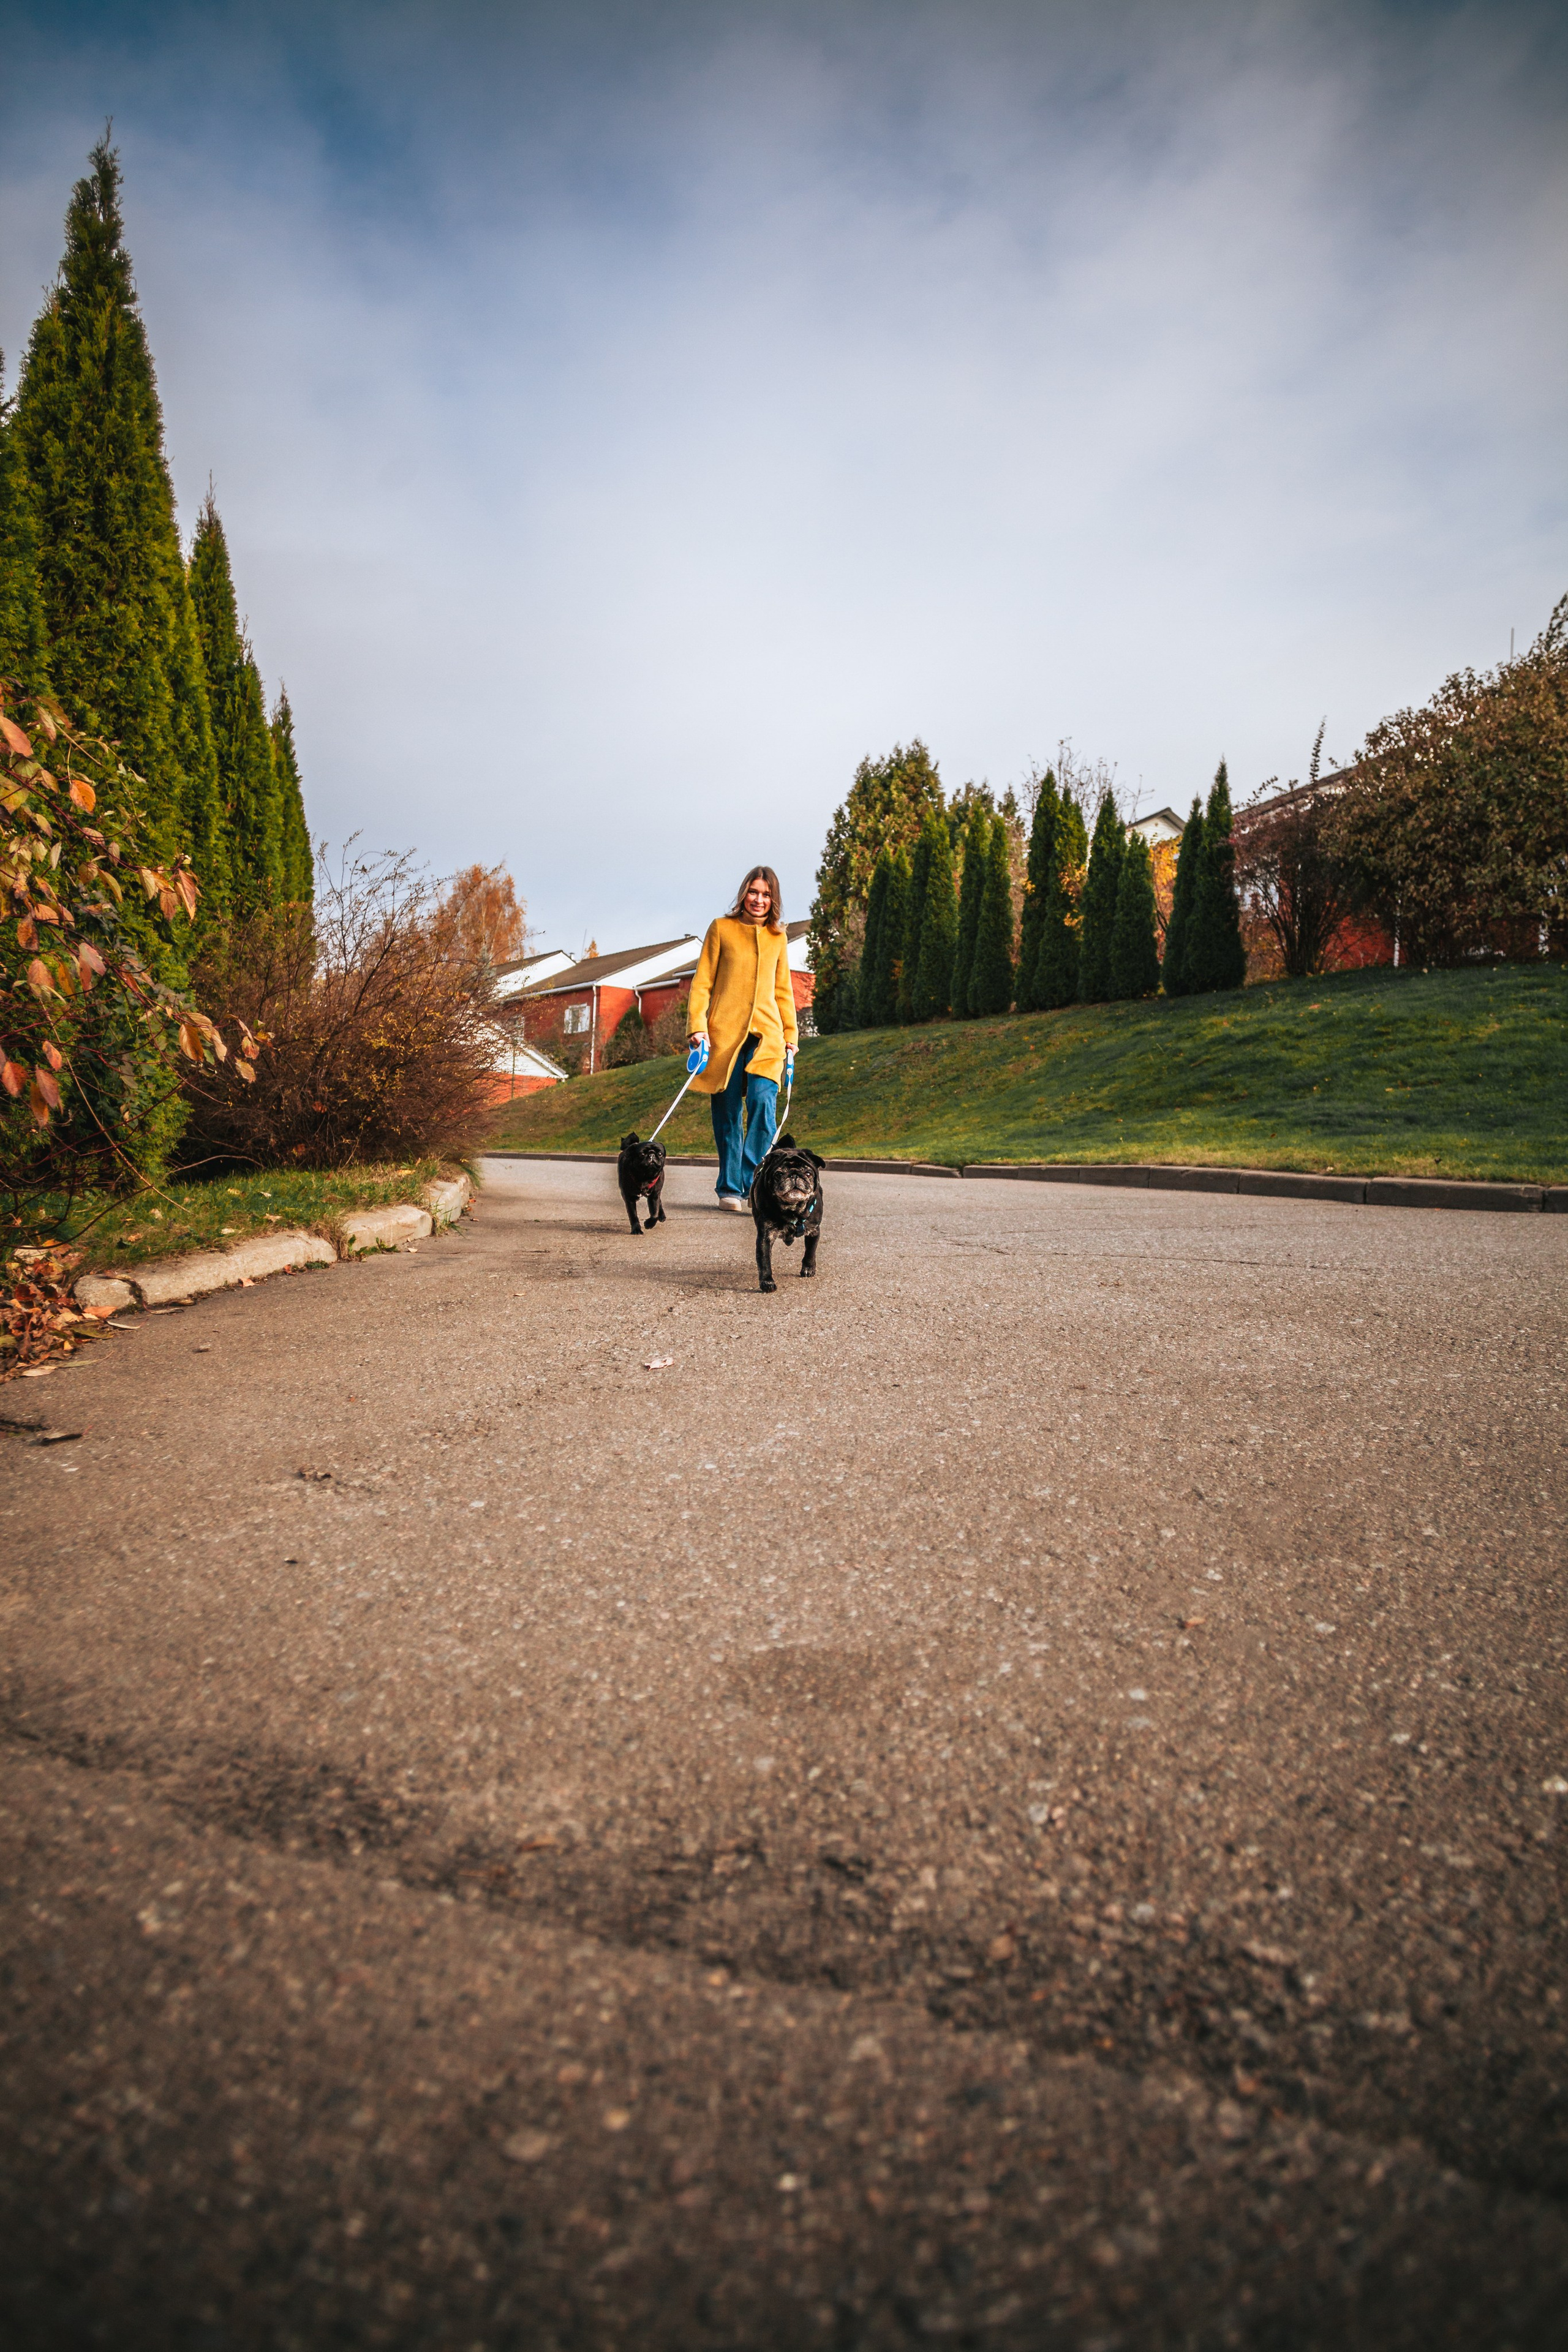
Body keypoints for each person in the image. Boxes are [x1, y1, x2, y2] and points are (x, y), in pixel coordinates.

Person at [686, 865, 799, 1209]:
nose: (759, 899)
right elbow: (702, 981)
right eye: (753, 892)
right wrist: (697, 1025)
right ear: (743, 894)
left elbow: (783, 991)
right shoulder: (721, 929)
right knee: (728, 1112)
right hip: (724, 1034)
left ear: (773, 899)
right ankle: (730, 1188)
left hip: (768, 1035)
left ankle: (752, 1182)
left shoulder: (778, 938)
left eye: (766, 894)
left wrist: (791, 1034)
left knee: (764, 1103)